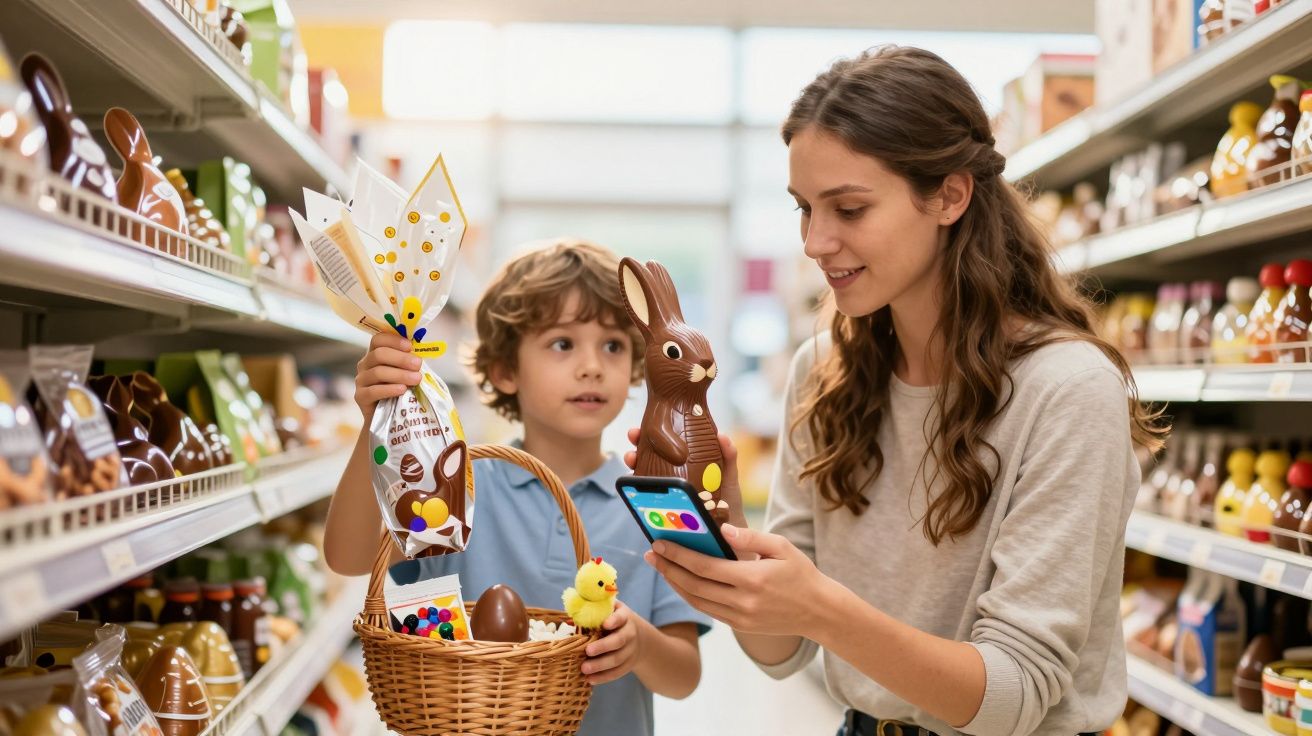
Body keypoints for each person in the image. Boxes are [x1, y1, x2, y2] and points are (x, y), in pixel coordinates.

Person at [637, 46, 1167, 736]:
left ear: (949, 195)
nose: (815, 242)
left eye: (849, 209)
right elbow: (780, 654)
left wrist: (818, 606)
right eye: (804, 209)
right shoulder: (824, 371)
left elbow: (1012, 695)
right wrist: (731, 555)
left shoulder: (1066, 390)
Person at [324, 239, 709, 736]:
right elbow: (349, 557)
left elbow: (685, 675)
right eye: (563, 344)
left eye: (613, 345)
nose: (593, 365)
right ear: (505, 370)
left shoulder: (656, 506)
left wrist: (640, 644)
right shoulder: (457, 485)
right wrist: (375, 423)